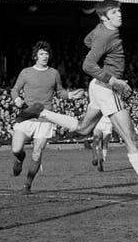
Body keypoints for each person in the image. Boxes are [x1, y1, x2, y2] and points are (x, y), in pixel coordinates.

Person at [71, 0, 138, 204]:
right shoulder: (107, 34)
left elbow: (87, 41)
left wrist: (99, 36)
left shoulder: (102, 30)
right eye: (115, 12)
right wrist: (114, 80)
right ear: (104, 17)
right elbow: (88, 64)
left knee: (83, 129)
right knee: (131, 138)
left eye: (119, 11)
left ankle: (43, 113)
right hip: (108, 89)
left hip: (98, 87)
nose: (120, 15)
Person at [10, 41, 84, 194]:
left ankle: (27, 185)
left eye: (47, 53)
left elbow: (60, 92)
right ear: (36, 55)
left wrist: (70, 95)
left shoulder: (54, 73)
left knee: (37, 153)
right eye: (42, 53)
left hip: (45, 119)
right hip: (27, 116)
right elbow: (15, 90)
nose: (45, 56)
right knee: (16, 148)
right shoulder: (26, 72)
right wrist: (17, 98)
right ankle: (19, 158)